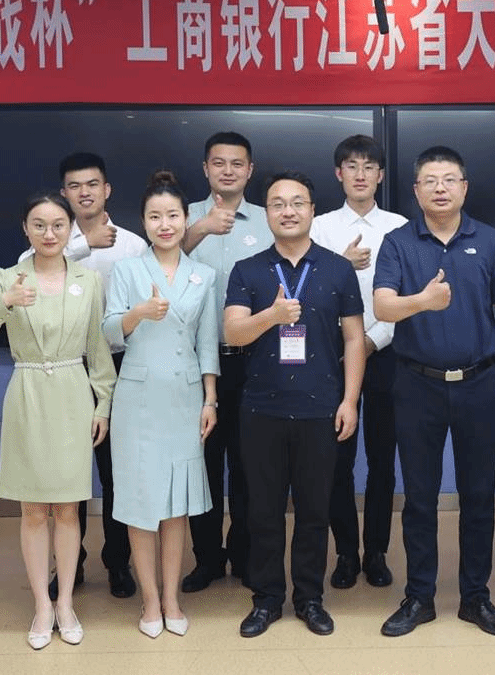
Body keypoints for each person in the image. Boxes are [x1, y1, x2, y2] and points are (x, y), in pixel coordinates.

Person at [374, 146, 495, 638]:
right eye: (430, 181)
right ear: (416, 190)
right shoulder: (398, 242)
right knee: (419, 498)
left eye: (450, 179)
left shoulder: (490, 240)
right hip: (416, 385)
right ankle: (419, 597)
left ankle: (475, 597)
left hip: (480, 383)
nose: (440, 188)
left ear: (464, 187)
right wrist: (424, 300)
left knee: (478, 496)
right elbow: (383, 308)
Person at [0, 193, 115, 649]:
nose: (49, 234)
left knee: (68, 507)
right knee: (32, 509)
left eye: (58, 225)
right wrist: (4, 302)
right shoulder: (6, 277)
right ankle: (42, 605)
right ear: (25, 229)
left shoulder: (88, 280)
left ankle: (65, 602)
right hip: (27, 392)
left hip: (72, 393)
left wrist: (102, 404)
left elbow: (98, 349)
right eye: (39, 225)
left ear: (70, 229)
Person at [225, 171, 365, 637]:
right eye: (278, 204)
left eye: (297, 202)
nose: (288, 211)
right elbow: (234, 332)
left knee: (314, 511)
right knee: (262, 512)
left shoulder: (338, 269)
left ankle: (309, 598)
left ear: (311, 210)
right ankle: (266, 599)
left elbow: (354, 338)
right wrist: (273, 315)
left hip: (320, 408)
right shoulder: (247, 270)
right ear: (266, 213)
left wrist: (350, 400)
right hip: (261, 410)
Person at [20, 152, 147, 602]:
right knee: (65, 475)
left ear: (107, 189)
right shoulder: (49, 240)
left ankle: (117, 562)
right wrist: (82, 244)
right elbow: (22, 279)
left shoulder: (133, 245)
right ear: (64, 193)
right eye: (74, 186)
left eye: (92, 184)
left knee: (115, 474)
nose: (84, 193)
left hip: (118, 365)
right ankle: (70, 566)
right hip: (63, 368)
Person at [102, 171, 219, 638]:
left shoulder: (204, 274)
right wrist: (138, 313)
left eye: (172, 215)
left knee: (176, 503)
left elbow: (207, 342)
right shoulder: (127, 270)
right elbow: (109, 330)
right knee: (139, 500)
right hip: (137, 399)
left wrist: (210, 398)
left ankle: (171, 597)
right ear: (144, 222)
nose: (164, 224)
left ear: (186, 219)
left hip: (186, 397)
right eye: (155, 216)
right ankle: (149, 601)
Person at [310, 135, 407, 589]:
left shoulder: (401, 227)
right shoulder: (319, 227)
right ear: (339, 173)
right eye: (352, 166)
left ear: (381, 175)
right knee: (336, 459)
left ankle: (377, 552)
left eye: (369, 166)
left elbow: (409, 298)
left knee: (384, 459)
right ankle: (346, 553)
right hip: (332, 353)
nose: (361, 174)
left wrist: (371, 340)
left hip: (387, 353)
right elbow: (304, 292)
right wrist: (338, 265)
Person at [181, 131, 273, 592]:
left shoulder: (268, 219)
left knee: (248, 463)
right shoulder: (181, 217)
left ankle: (244, 554)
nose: (228, 171)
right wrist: (200, 228)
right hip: (194, 363)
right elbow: (155, 266)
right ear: (205, 168)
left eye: (237, 163)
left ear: (250, 170)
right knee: (201, 463)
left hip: (253, 359)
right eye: (219, 163)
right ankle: (206, 559)